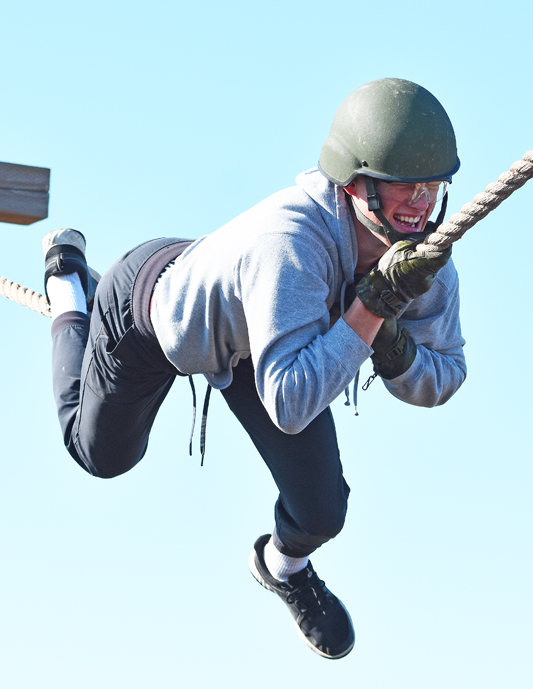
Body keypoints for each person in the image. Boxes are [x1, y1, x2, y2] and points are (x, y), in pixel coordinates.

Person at [42, 78, 467, 659]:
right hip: (153, 311)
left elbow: (446, 374)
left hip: (261, 337)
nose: (422, 201)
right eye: (404, 186)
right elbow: (291, 405)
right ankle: (69, 287)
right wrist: (370, 308)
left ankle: (282, 567)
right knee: (101, 456)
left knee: (322, 510)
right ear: (355, 184)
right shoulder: (291, 241)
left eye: (433, 185)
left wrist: (388, 338)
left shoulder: (422, 259)